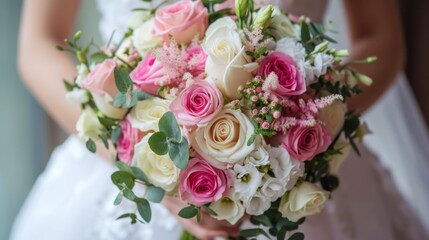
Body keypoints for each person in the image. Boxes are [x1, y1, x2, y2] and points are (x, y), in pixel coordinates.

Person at [10, 0, 429, 239]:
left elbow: (381, 39)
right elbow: (37, 45)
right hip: (122, 159)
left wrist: (302, 127)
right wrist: (137, 155)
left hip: (303, 169)